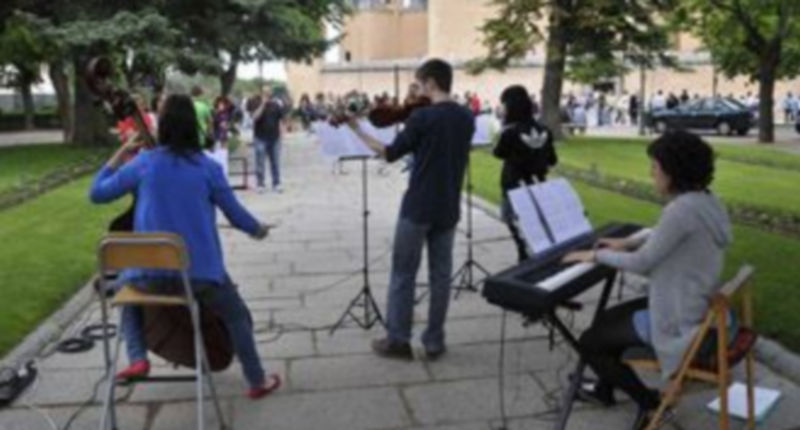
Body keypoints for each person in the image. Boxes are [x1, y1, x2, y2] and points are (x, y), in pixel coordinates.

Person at [88, 94, 281, 399]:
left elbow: (97, 193)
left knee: (125, 292)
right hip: (199, 277)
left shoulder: (143, 163)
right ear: (194, 126)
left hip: (146, 277)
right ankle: (256, 380)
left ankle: (138, 358)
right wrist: (258, 231)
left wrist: (121, 152)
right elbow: (236, 214)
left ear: (162, 126)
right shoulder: (207, 168)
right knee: (236, 316)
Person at [562, 130, 732, 430]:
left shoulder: (681, 211)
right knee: (608, 319)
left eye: (655, 167)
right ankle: (605, 388)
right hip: (694, 301)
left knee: (590, 342)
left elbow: (643, 263)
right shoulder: (705, 201)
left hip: (681, 317)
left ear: (673, 171)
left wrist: (595, 256)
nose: (651, 173)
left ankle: (650, 403)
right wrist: (626, 242)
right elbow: (660, 234)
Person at [347, 59, 474, 360]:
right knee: (441, 275)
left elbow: (389, 153)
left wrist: (357, 130)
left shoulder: (423, 118)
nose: (415, 91)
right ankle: (434, 341)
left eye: (418, 85)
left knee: (403, 273)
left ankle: (398, 340)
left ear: (431, 83)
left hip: (418, 206)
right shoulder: (466, 116)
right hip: (448, 206)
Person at [493, 85, 557, 262]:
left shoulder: (510, 132)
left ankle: (524, 258)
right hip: (538, 185)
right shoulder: (544, 130)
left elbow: (498, 153)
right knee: (534, 227)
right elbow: (552, 160)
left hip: (514, 186)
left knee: (516, 225)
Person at [251, 86, 286, 193]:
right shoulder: (256, 103)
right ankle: (260, 184)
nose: (267, 94)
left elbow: (281, 120)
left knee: (275, 162)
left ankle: (276, 183)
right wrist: (263, 104)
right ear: (261, 93)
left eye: (268, 92)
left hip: (274, 138)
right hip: (260, 137)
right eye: (265, 92)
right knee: (260, 162)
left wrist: (282, 135)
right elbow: (255, 117)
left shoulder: (276, 105)